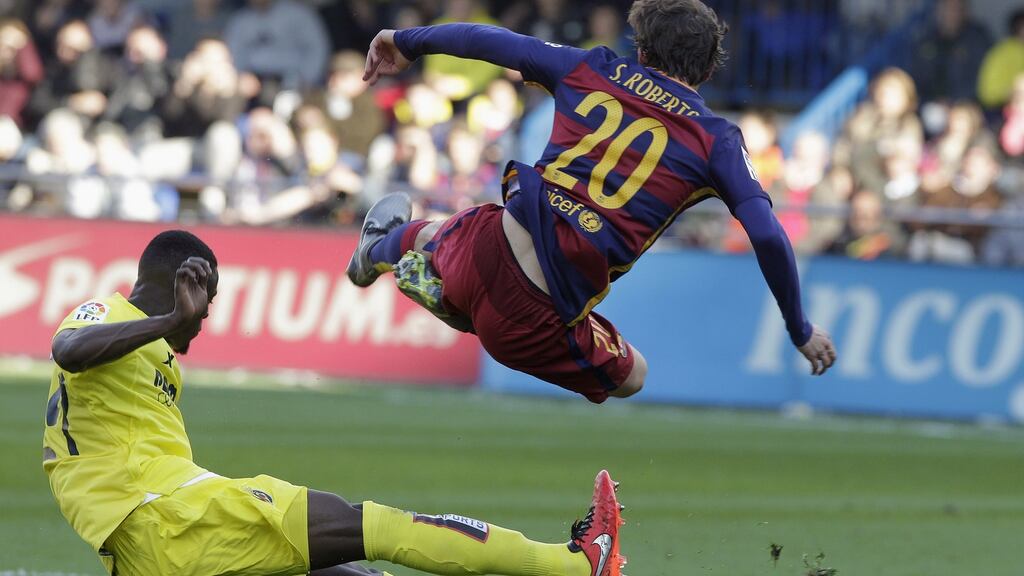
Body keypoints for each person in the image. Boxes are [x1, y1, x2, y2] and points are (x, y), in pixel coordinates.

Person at [44, 230, 626, 576]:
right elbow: (67, 350)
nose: (205, 315)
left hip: (155, 541)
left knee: (344, 571)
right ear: (175, 285)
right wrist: (174, 318)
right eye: (204, 298)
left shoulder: (158, 360)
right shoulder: (107, 313)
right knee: (368, 524)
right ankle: (575, 565)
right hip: (161, 517)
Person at [348, 0, 837, 405]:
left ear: (642, 50)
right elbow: (769, 234)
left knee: (463, 227)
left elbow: (489, 41)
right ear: (710, 67)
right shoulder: (717, 140)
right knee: (634, 377)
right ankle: (450, 296)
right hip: (534, 318)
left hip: (487, 244)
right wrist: (799, 328)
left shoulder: (593, 67)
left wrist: (405, 41)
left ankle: (391, 248)